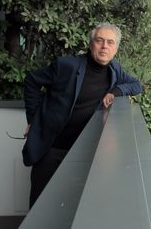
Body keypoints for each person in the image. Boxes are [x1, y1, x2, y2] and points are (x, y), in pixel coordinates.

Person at [22, 22, 142, 208]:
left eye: (110, 42)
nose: (104, 46)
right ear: (91, 43)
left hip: (83, 151)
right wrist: (33, 119)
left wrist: (116, 91)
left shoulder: (114, 70)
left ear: (116, 49)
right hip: (52, 149)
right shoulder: (66, 66)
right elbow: (31, 81)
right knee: (40, 204)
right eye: (100, 40)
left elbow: (137, 85)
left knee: (72, 205)